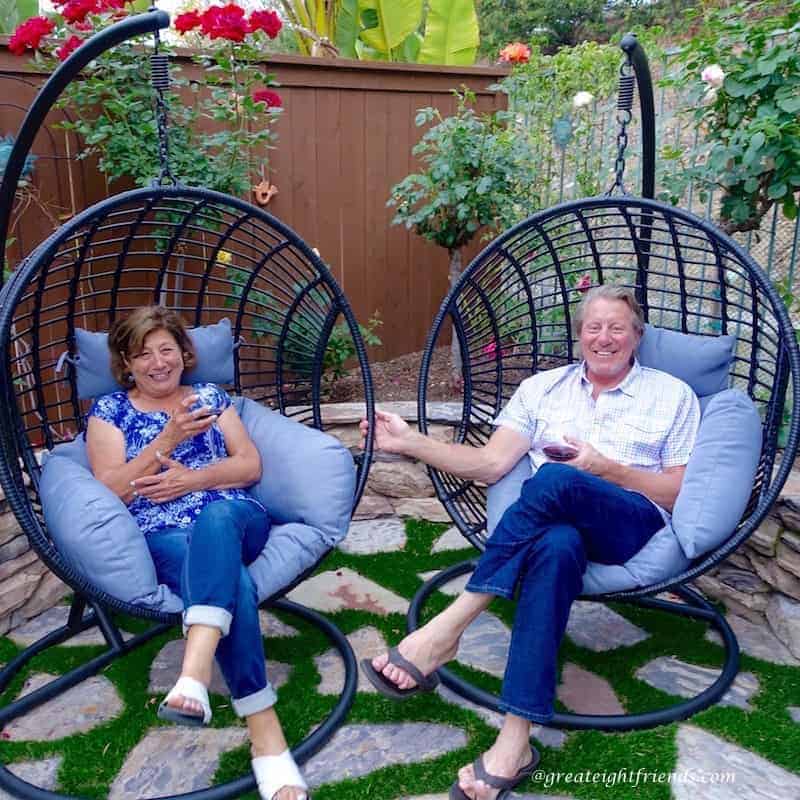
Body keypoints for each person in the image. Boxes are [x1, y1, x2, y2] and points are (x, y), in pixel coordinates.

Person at [360, 285, 700, 800]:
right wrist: (409, 441)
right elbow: (491, 464)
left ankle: (451, 624)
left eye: (617, 328)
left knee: (555, 479)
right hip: (551, 525)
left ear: (637, 336)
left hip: (628, 519)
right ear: (579, 335)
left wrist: (605, 469)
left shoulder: (671, 394)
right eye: (594, 327)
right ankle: (514, 742)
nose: (604, 338)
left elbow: (675, 492)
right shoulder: (542, 389)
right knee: (556, 546)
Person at [85, 306, 308, 800]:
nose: (157, 362)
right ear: (126, 362)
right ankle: (265, 734)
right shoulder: (109, 412)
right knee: (236, 583)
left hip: (233, 514)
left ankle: (194, 671)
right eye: (142, 353)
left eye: (166, 349)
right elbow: (112, 489)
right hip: (162, 532)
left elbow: (248, 466)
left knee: (217, 519)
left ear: (184, 354)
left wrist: (196, 478)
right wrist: (167, 439)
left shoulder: (210, 397)